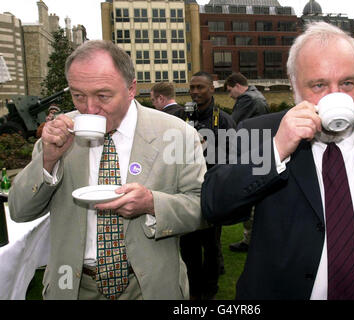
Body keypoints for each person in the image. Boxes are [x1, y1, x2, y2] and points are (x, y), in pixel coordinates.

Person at [201, 22, 354, 299]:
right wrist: (276, 149)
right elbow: (216, 205)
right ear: (293, 87)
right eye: (319, 84)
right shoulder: (259, 132)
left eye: (348, 83)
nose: (335, 96)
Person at [9, 40, 207, 300]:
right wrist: (48, 160)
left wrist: (152, 204)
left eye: (103, 96)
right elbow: (19, 211)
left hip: (148, 288)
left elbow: (203, 207)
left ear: (131, 88)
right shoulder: (59, 135)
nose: (89, 109)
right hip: (73, 287)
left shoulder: (177, 134)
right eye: (78, 96)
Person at [180, 71, 236, 300]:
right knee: (188, 244)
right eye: (192, 87)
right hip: (185, 191)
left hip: (212, 191)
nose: (195, 92)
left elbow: (233, 156)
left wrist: (208, 149)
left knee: (211, 244)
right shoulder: (181, 117)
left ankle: (210, 290)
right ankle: (193, 287)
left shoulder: (222, 119)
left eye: (200, 87)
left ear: (212, 89)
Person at [224, 72, 270, 253]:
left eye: (229, 91)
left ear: (236, 85)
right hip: (261, 151)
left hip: (249, 153)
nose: (230, 96)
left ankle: (250, 241)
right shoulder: (258, 95)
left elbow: (232, 123)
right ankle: (258, 239)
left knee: (250, 199)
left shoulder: (247, 99)